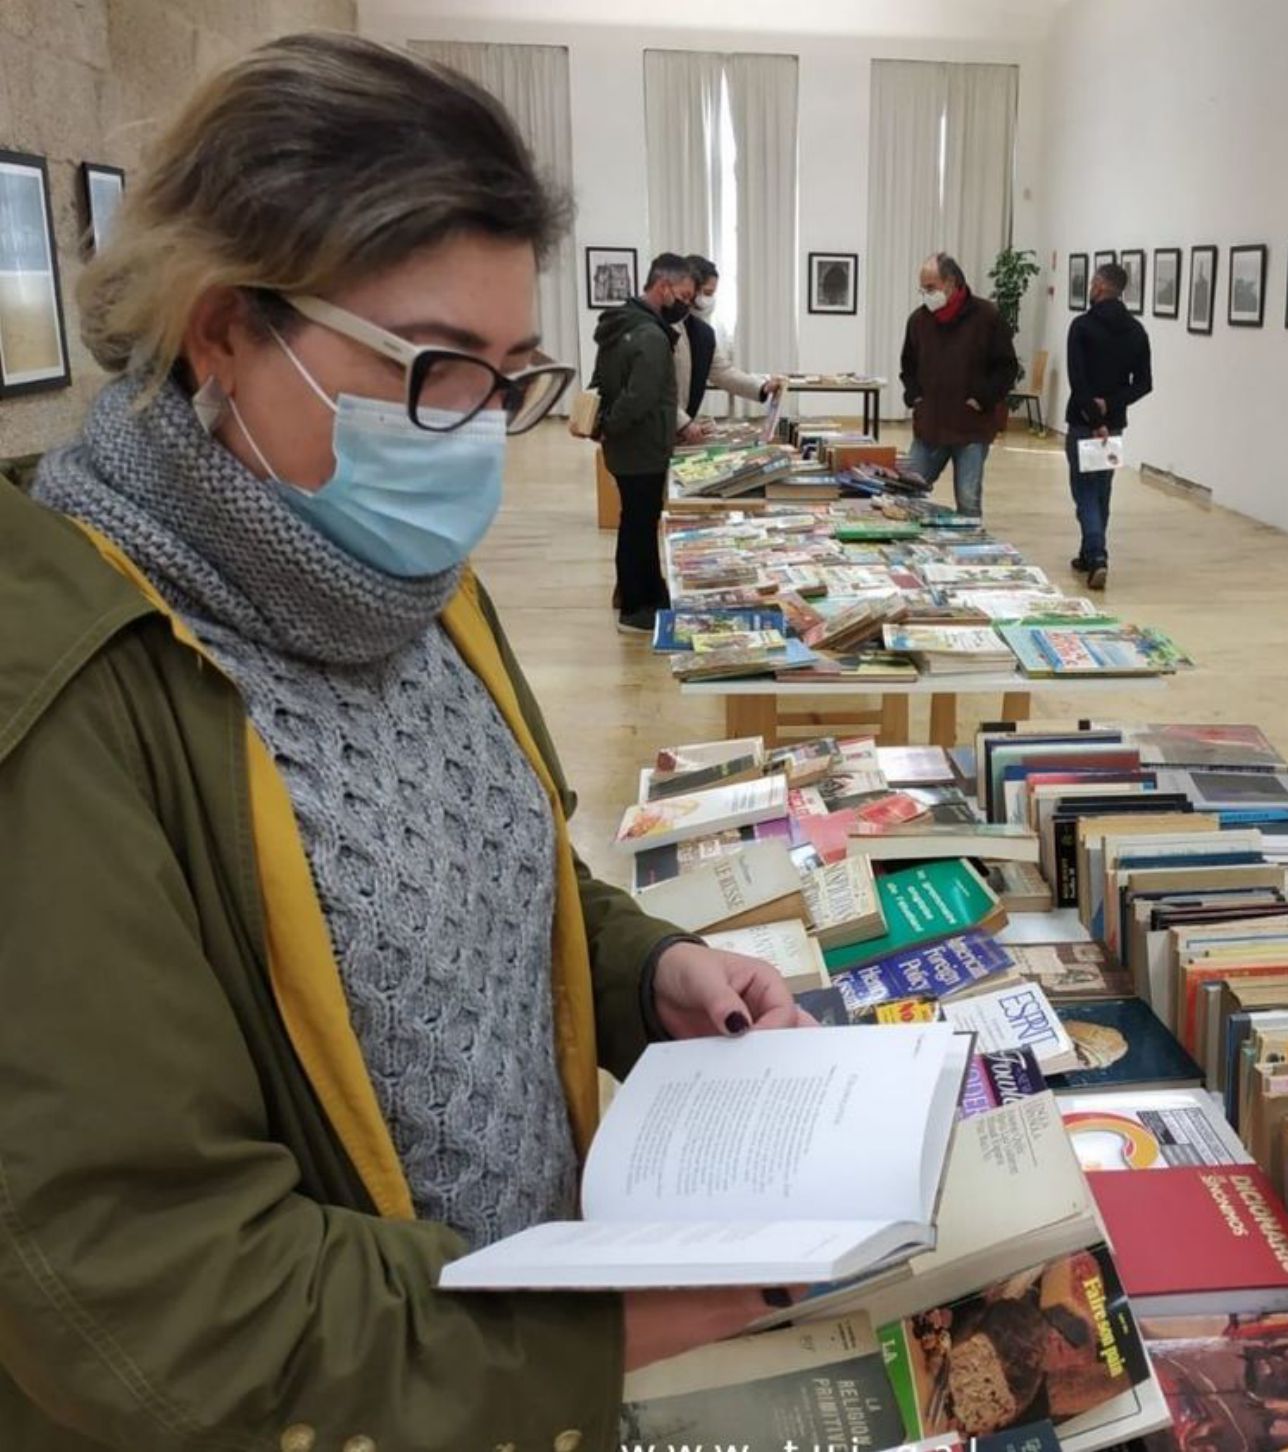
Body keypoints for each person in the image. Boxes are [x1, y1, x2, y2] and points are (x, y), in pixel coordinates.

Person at [1, 34, 807, 1446]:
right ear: (221, 326)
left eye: (511, 380)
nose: (478, 438)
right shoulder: (71, 702)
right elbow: (152, 1296)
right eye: (436, 368)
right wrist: (587, 1326)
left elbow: (489, 880)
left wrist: (646, 974)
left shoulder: (401, 584)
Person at [591, 252, 695, 633]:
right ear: (663, 286)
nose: (685, 304)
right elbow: (640, 397)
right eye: (682, 295)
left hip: (627, 447)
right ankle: (637, 609)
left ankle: (648, 591)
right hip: (643, 446)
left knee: (637, 520)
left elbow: (602, 382)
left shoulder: (621, 323)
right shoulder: (650, 334)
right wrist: (611, 426)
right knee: (638, 523)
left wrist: (606, 427)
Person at [899, 252, 1018, 517]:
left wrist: (982, 399)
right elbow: (908, 366)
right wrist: (915, 396)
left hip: (971, 427)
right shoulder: (918, 320)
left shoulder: (987, 316)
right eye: (923, 289)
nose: (926, 294)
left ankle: (971, 553)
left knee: (968, 500)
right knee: (904, 493)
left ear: (951, 282)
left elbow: (1007, 367)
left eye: (931, 288)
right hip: (929, 426)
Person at [1064, 260, 1152, 590]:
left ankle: (1097, 555)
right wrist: (1110, 409)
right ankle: (1088, 554)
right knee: (1102, 491)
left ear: (1099, 287)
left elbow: (1078, 379)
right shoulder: (1136, 331)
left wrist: (1094, 416)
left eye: (1091, 284)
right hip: (1113, 427)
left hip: (1083, 424)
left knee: (1085, 491)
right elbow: (1143, 383)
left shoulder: (1082, 326)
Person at [673, 254, 778, 442]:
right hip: (658, 428)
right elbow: (653, 389)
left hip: (680, 430)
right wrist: (683, 423)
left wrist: (762, 387)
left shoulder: (703, 332)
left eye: (713, 294)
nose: (710, 300)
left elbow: (723, 372)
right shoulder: (663, 326)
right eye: (707, 292)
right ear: (689, 288)